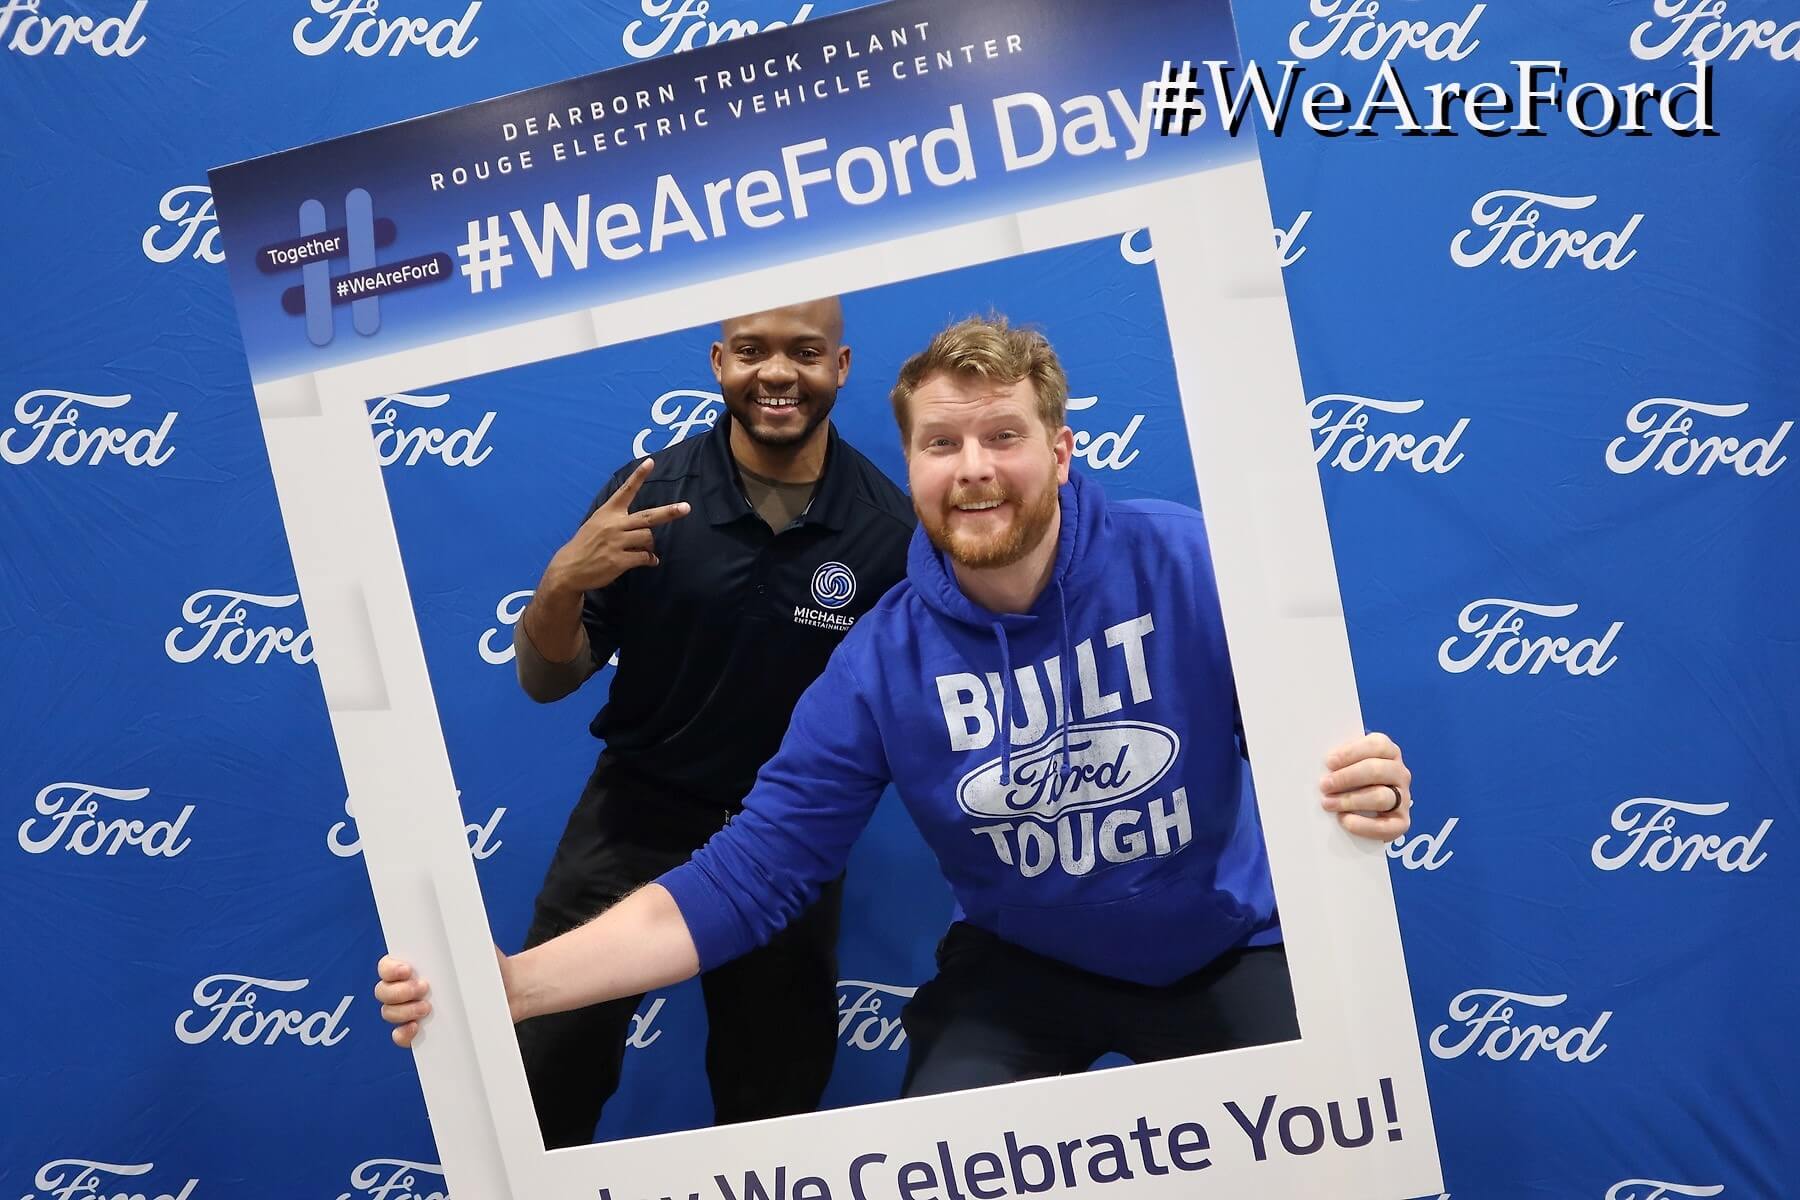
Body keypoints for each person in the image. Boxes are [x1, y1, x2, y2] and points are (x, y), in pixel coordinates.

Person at [380, 314, 1412, 1095]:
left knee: (1325, 1140)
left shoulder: (1184, 558)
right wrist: (509, 988)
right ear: (912, 466)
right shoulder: (881, 659)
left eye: (1003, 436)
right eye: (942, 445)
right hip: (1022, 967)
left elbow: (1308, 751)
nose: (974, 471)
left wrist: (1362, 788)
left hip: (1224, 949)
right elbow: (753, 872)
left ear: (1060, 451)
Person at [503, 296, 914, 1144]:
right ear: (719, 362)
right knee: (540, 1088)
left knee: (774, 1111)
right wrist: (561, 583)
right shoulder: (649, 496)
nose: (777, 374)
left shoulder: (889, 531)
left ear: (840, 367)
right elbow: (547, 680)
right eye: (752, 350)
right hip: (632, 818)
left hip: (788, 838)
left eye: (805, 352)